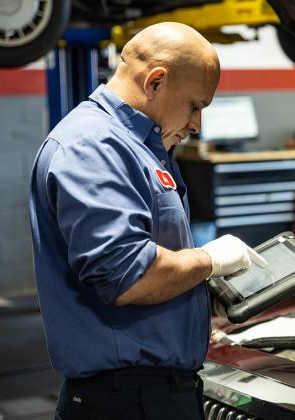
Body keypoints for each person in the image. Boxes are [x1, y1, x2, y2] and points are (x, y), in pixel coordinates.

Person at [28, 22, 265, 420]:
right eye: (195, 106)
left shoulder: (141, 148)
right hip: (127, 403)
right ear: (155, 82)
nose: (196, 125)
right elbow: (127, 276)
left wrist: (197, 302)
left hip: (152, 395)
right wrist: (209, 261)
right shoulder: (94, 147)